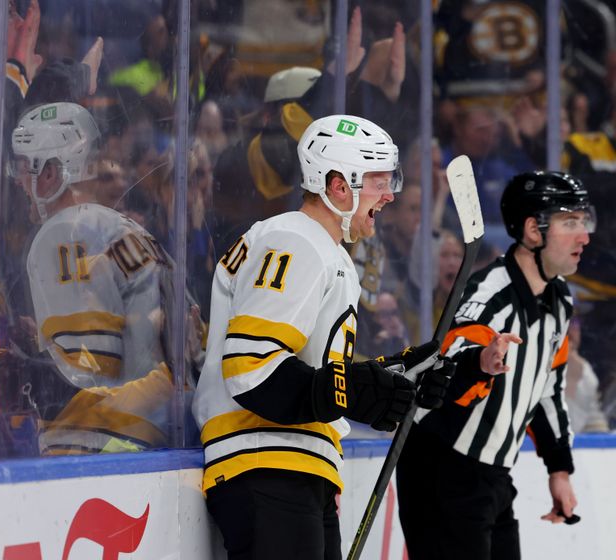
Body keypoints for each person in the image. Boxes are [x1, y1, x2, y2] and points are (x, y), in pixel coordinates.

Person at [192, 115, 454, 560]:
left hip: (297, 465)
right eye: (377, 181)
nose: (389, 194)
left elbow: (315, 373)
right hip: (265, 461)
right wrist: (352, 391)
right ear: (338, 186)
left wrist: (396, 375)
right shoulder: (293, 240)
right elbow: (252, 367)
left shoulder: (326, 252)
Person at [397, 171, 594, 560]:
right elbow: (444, 364)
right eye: (570, 222)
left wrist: (558, 468)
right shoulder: (490, 296)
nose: (584, 235)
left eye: (584, 220)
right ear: (533, 231)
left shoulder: (559, 300)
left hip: (493, 475)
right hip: (442, 467)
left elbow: (546, 391)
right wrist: (479, 362)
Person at [11, 102, 199, 455]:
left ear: (50, 172)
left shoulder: (64, 232)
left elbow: (91, 371)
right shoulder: (127, 231)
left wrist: (23, 371)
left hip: (100, 445)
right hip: (156, 439)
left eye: (24, 168)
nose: (19, 180)